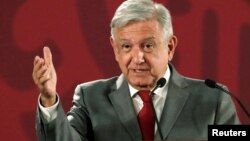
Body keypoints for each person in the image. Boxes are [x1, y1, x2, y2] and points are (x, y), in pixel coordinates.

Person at [32, 0, 240, 140]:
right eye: (126, 47)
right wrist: (49, 99)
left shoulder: (213, 99)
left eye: (148, 46)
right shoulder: (91, 97)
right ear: (114, 49)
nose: (138, 58)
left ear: (170, 47)